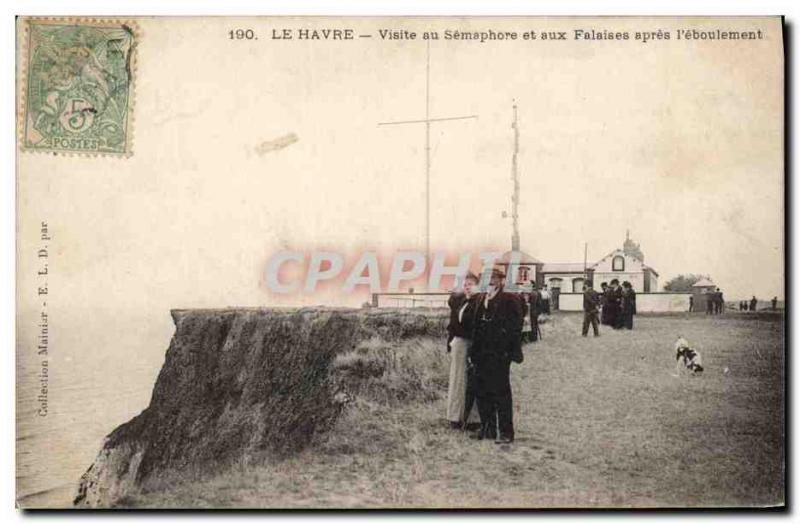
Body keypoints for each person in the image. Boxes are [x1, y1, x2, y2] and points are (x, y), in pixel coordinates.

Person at [468, 268, 523, 444]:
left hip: (499, 354)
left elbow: (516, 326)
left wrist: (507, 349)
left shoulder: (509, 299)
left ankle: (506, 432)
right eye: (486, 278)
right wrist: (473, 352)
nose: (490, 281)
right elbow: (474, 326)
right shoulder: (479, 299)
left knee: (501, 392)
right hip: (481, 353)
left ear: (501, 281)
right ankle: (488, 429)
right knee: (482, 391)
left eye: (493, 278)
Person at [445, 273, 481, 430]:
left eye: (471, 284)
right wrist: (451, 341)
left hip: (473, 344)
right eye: (465, 284)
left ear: (478, 285)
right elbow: (453, 316)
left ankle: (473, 419)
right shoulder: (461, 301)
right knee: (457, 380)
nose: (467, 287)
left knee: (473, 381)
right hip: (459, 345)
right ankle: (455, 417)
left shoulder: (480, 302)